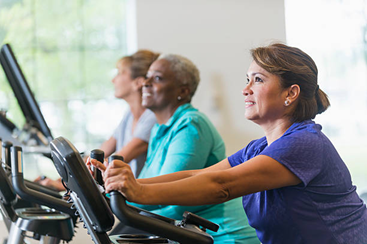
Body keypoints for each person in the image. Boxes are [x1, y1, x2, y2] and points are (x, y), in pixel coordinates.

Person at [95, 43, 367, 244]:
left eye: (258, 80)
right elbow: (202, 174)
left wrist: (138, 193)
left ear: (290, 93)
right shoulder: (259, 147)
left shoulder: (305, 143)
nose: (245, 89)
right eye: (247, 79)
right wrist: (120, 186)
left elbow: (222, 187)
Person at [89, 54, 259, 243]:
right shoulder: (159, 130)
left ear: (183, 91)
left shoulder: (192, 125)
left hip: (222, 236)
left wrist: (118, 194)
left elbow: (171, 199)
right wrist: (111, 188)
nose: (146, 83)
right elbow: (147, 183)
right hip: (189, 234)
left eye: (157, 78)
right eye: (147, 76)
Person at [35, 50, 159, 191]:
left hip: (135, 200)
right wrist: (62, 179)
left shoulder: (152, 118)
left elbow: (111, 165)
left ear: (138, 83)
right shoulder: (129, 115)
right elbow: (100, 153)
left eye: (120, 73)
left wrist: (62, 186)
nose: (113, 80)